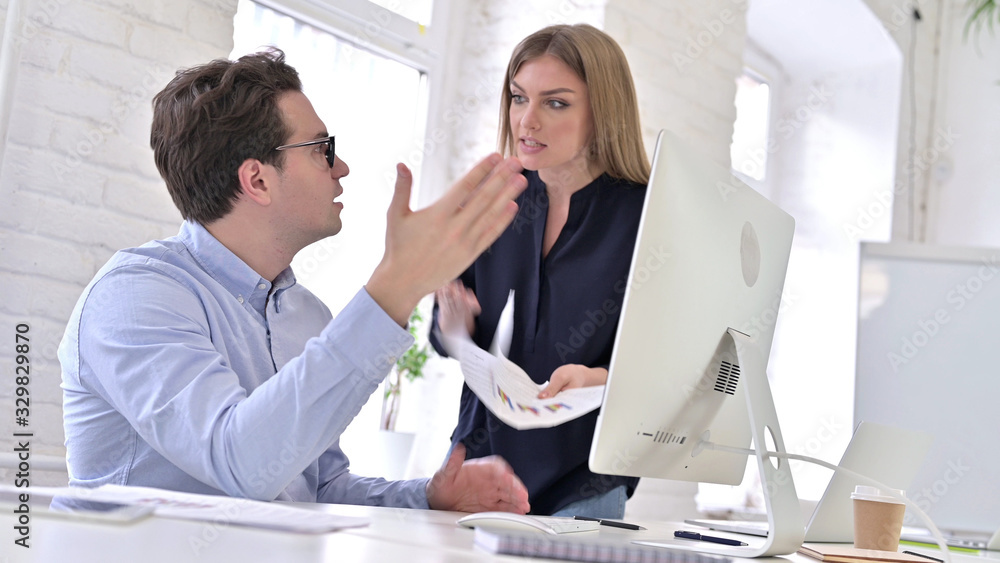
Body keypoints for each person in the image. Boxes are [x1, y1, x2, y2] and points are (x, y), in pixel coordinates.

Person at [57, 48, 531, 514]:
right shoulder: (135, 297)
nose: (340, 168)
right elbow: (241, 464)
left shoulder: (305, 314)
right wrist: (395, 286)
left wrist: (425, 497)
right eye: (322, 149)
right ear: (257, 181)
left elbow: (315, 488)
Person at [431, 24, 651, 518]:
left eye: (555, 103)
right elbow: (446, 335)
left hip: (584, 481)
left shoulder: (647, 216)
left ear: (603, 111)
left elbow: (676, 371)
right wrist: (456, 328)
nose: (526, 121)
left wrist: (602, 378)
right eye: (517, 97)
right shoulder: (491, 196)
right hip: (478, 467)